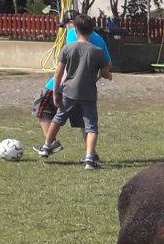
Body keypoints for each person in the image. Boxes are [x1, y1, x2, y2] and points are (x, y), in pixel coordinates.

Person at [35, 14, 111, 169]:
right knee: (91, 126)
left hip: (69, 90)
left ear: (75, 29)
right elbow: (106, 71)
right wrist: (106, 76)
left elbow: (59, 72)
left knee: (58, 118)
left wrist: (56, 90)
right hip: (88, 92)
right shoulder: (98, 50)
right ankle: (90, 159)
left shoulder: (68, 46)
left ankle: (47, 146)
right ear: (93, 30)